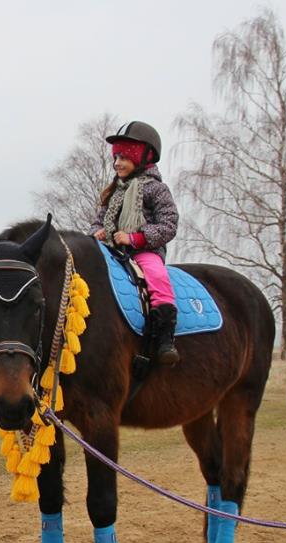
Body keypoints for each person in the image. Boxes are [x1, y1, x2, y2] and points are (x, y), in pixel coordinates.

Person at [91, 121, 179, 365]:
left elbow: (169, 224)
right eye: (116, 157)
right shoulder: (114, 192)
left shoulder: (156, 190)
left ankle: (165, 340)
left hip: (144, 251)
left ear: (142, 158)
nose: (117, 163)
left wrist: (135, 238)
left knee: (157, 277)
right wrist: (97, 232)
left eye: (124, 157)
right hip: (111, 250)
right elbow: (98, 221)